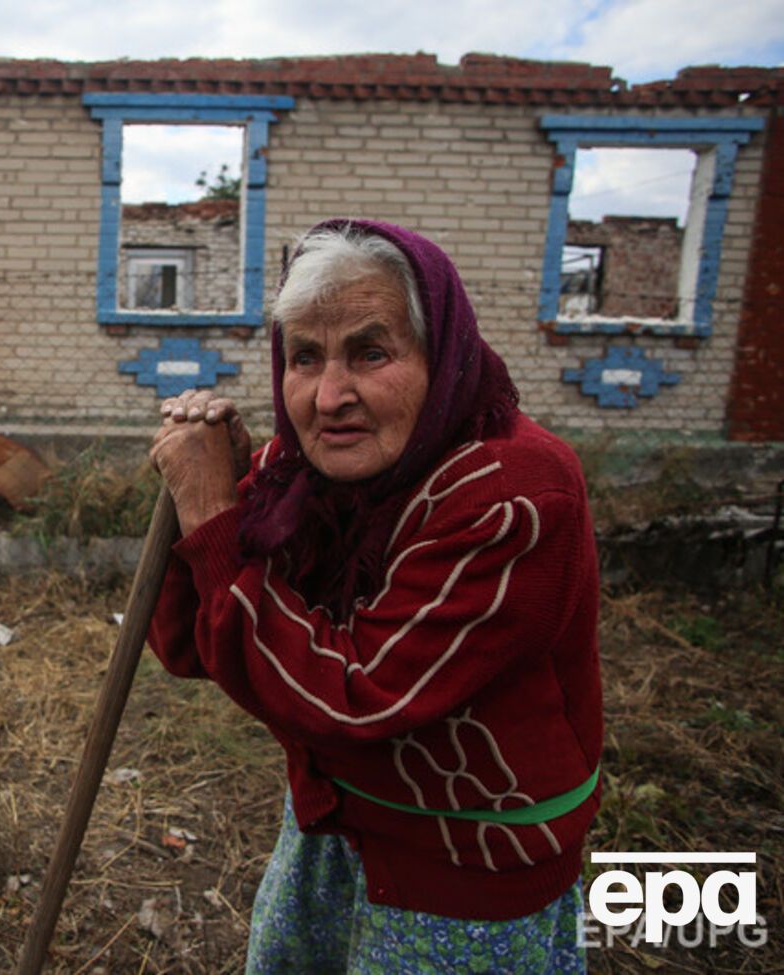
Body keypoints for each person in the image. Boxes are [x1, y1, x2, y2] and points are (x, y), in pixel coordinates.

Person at [147, 219, 602, 974]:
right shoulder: (308, 476)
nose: (329, 396)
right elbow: (192, 641)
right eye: (304, 358)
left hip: (463, 868)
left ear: (442, 354)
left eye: (371, 352)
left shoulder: (513, 496)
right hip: (332, 828)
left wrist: (213, 514)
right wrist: (219, 495)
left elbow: (356, 697)